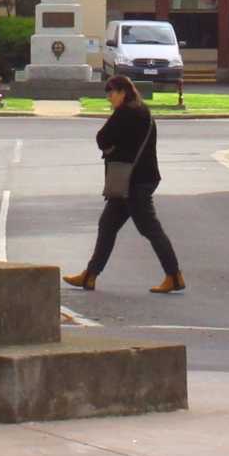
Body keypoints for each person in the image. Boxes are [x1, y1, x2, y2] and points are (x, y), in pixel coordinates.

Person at [65, 73, 183, 294]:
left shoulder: (126, 112)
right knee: (107, 225)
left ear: (123, 92)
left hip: (133, 182)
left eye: (111, 92)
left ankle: (174, 275)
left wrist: (112, 147)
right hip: (137, 179)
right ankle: (90, 276)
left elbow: (102, 138)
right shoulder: (143, 111)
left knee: (149, 228)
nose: (109, 97)